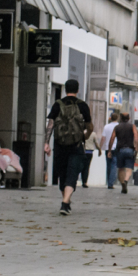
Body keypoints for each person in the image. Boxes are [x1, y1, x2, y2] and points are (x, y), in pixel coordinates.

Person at [45, 79, 92, 215]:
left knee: (63, 175)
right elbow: (89, 125)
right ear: (78, 90)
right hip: (76, 146)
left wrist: (46, 143)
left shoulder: (57, 104)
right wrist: (85, 136)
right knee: (72, 174)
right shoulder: (82, 105)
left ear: (65, 89)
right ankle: (65, 203)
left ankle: (65, 201)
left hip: (60, 145)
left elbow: (51, 124)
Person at [106, 112, 138, 194]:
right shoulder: (132, 126)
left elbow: (112, 138)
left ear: (120, 118)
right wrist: (136, 148)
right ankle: (126, 180)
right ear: (129, 118)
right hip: (130, 149)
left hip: (120, 150)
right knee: (129, 168)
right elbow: (136, 137)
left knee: (120, 168)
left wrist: (109, 150)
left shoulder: (117, 127)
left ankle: (123, 183)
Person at [101, 112, 119, 189]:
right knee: (114, 166)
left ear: (110, 118)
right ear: (117, 118)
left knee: (108, 166)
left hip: (107, 148)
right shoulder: (119, 126)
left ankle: (109, 181)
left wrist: (99, 147)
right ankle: (111, 183)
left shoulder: (106, 126)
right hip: (116, 148)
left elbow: (103, 138)